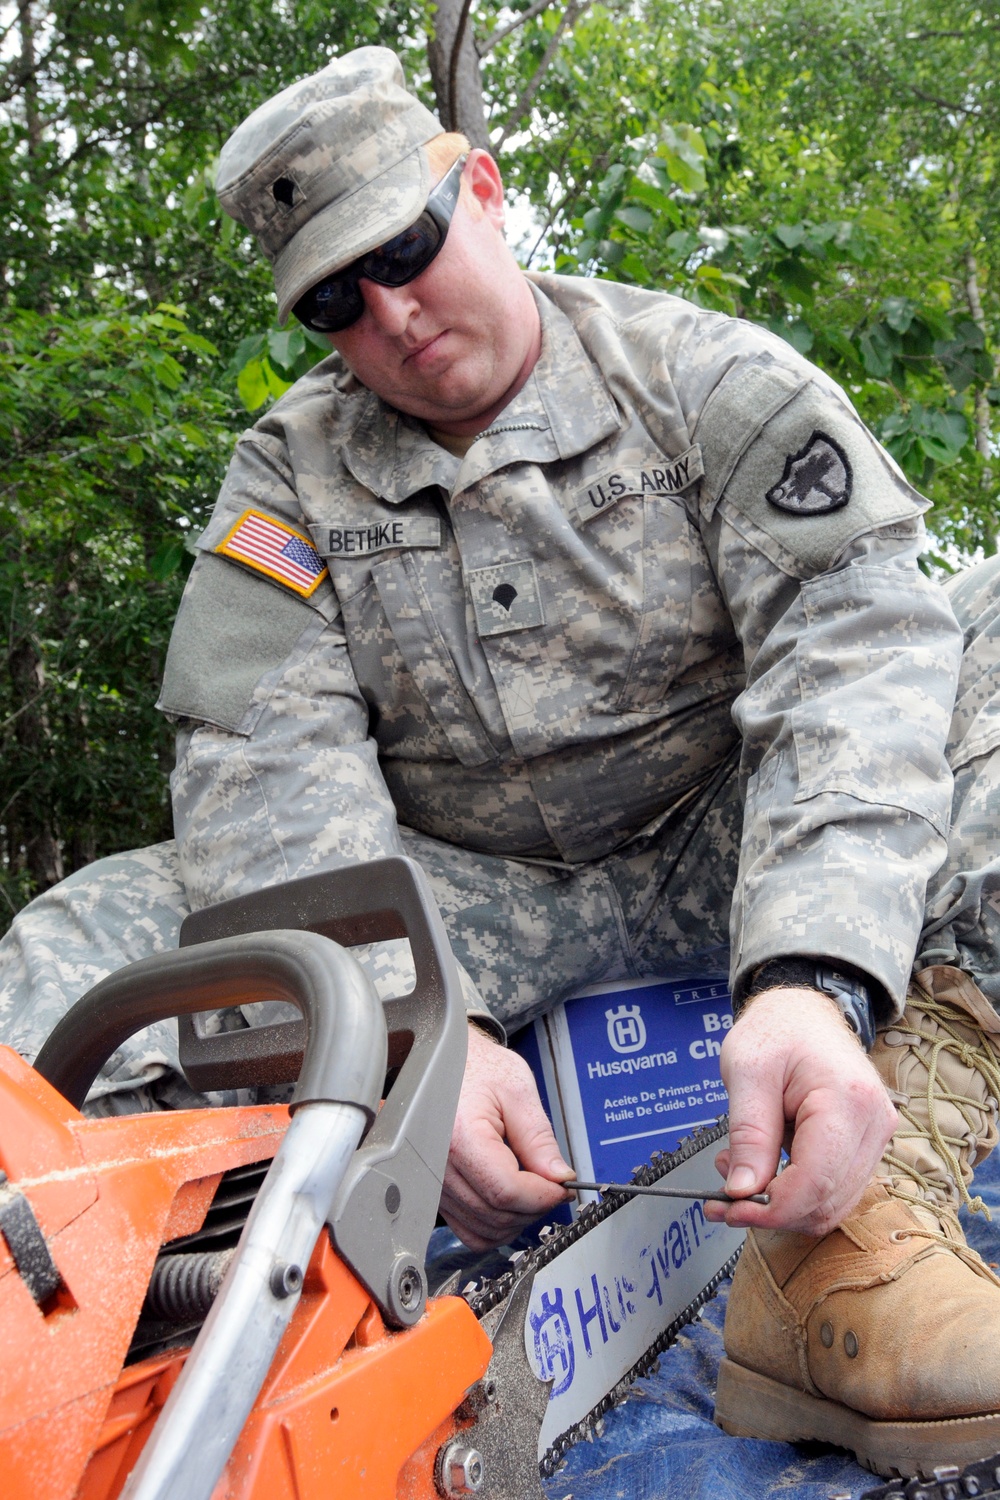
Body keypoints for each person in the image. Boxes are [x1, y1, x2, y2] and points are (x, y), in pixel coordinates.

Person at [4, 44, 1000, 1474]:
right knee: (78, 945)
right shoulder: (287, 478)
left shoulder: (705, 382)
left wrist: (813, 979)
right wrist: (417, 1033)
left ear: (483, 188)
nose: (395, 317)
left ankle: (869, 1220)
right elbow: (262, 762)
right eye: (336, 302)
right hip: (461, 892)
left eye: (405, 249)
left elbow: (854, 655)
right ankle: (104, 1369)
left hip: (730, 840)